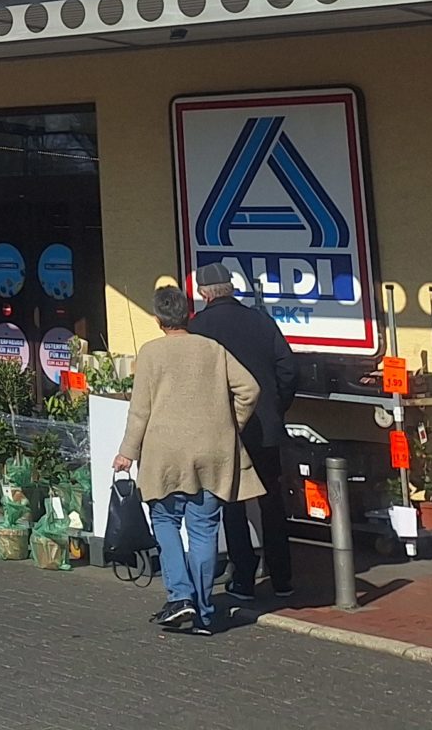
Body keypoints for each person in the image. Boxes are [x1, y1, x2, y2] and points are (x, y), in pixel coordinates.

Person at [114, 279, 258, 636]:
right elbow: (249, 389)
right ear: (188, 314)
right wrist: (231, 425)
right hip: (212, 452)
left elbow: (140, 411)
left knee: (165, 522)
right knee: (204, 529)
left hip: (164, 454)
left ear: (158, 319)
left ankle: (181, 597)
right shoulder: (213, 349)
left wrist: (126, 453)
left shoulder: (151, 353)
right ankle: (205, 614)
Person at [191, 260, 299, 602]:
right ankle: (282, 578)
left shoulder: (198, 327)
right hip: (266, 426)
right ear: (231, 287)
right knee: (272, 501)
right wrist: (276, 406)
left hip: (224, 427)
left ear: (204, 293)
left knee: (232, 502)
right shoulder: (260, 320)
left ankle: (243, 579)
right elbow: (288, 368)